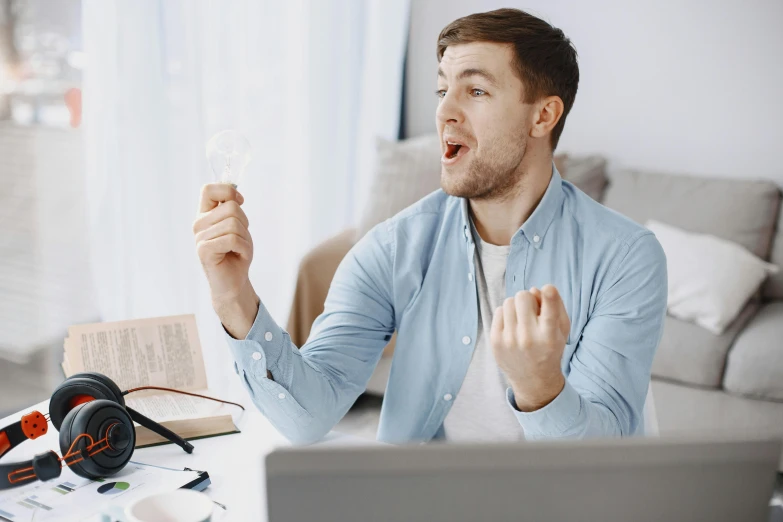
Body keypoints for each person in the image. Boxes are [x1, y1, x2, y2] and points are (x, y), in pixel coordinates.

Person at [192, 8, 667, 445]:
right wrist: (233, 296)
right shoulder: (392, 247)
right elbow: (307, 417)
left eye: (475, 90)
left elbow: (607, 465)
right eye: (443, 90)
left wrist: (540, 387)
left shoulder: (626, 257)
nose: (444, 112)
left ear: (543, 115)